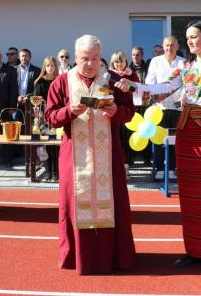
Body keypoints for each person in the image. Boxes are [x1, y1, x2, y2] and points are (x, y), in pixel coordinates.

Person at [117, 21, 201, 271]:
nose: (190, 42)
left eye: (195, 36)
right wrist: (134, 86)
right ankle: (192, 250)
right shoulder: (186, 67)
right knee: (189, 196)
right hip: (188, 136)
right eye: (188, 38)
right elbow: (163, 89)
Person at [44, 35, 136, 275]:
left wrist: (117, 111)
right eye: (85, 59)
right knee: (73, 204)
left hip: (109, 155)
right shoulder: (62, 82)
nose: (90, 64)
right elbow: (50, 117)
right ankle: (76, 256)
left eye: (95, 58)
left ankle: (115, 257)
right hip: (74, 155)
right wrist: (68, 112)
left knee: (113, 202)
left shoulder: (114, 80)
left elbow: (130, 113)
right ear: (76, 58)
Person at [145, 36, 185, 175]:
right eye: (167, 45)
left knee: (175, 140)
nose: (169, 48)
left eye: (172, 45)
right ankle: (159, 169)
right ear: (163, 46)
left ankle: (172, 169)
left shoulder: (183, 63)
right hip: (159, 107)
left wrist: (182, 96)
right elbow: (150, 82)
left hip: (177, 106)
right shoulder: (155, 61)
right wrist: (155, 96)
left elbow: (187, 84)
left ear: (177, 46)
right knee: (158, 139)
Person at [33, 56, 59, 181]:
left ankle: (56, 172)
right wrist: (39, 117)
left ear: (56, 67)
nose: (50, 68)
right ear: (44, 67)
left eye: (52, 65)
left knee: (56, 146)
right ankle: (48, 171)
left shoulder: (59, 81)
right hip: (44, 119)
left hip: (57, 118)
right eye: (48, 65)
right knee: (45, 146)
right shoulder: (40, 82)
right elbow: (36, 103)